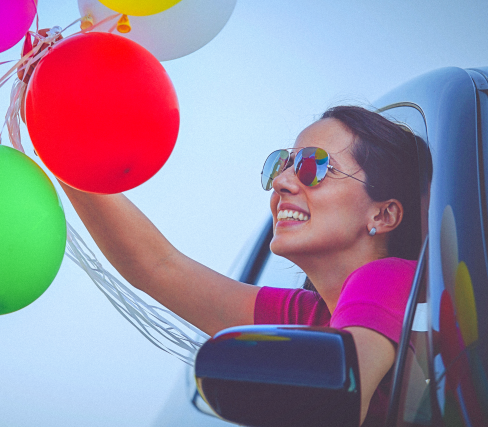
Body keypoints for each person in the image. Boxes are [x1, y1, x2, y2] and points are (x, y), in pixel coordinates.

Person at [58, 105, 431, 427]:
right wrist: (56, 141)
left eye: (313, 166)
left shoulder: (388, 278)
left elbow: (343, 391)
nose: (282, 182)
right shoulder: (312, 321)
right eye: (281, 166)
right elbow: (159, 266)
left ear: (383, 215)